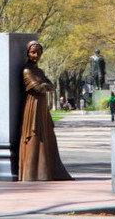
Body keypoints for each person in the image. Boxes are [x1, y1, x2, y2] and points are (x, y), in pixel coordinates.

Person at [18, 41, 71, 181]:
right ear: (27, 53)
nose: (35, 55)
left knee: (46, 135)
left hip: (42, 106)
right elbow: (39, 88)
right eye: (32, 52)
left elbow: (51, 86)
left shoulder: (39, 71)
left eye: (38, 52)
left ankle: (45, 170)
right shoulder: (26, 71)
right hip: (33, 106)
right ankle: (32, 173)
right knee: (35, 135)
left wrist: (45, 85)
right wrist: (45, 85)